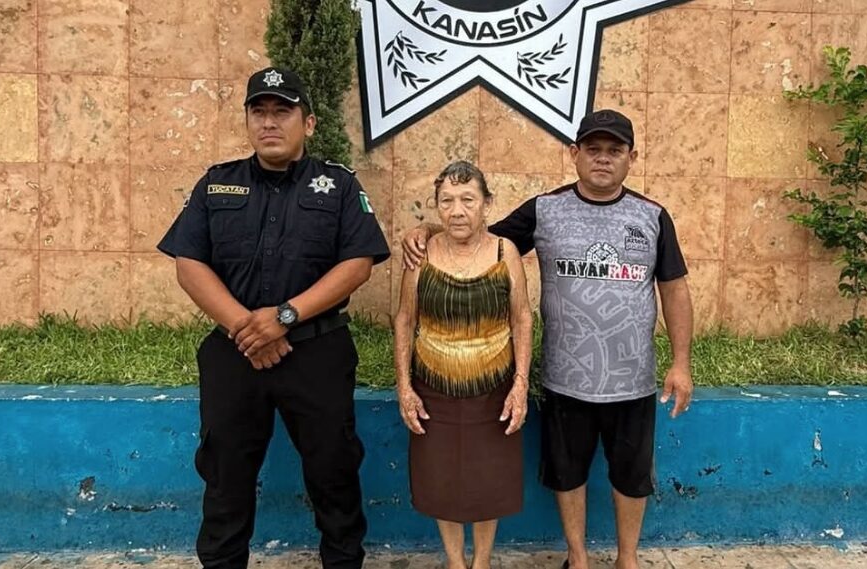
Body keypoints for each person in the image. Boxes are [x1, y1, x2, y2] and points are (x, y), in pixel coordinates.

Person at [402, 110, 694, 569]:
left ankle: (627, 559)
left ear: (632, 158)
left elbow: (674, 289)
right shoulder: (545, 210)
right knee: (567, 472)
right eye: (592, 149)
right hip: (566, 376)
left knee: (632, 475)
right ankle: (577, 558)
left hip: (632, 377)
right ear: (574, 154)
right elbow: (482, 236)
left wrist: (681, 362)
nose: (603, 159)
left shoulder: (653, 216)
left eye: (614, 150)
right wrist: (430, 230)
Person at [157, 66, 390, 569]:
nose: (269, 122)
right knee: (225, 477)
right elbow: (189, 263)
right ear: (247, 121)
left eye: (282, 111)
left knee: (334, 473)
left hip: (317, 353)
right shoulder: (216, 184)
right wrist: (248, 329)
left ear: (308, 123)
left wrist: (283, 317)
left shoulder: (339, 186)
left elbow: (358, 263)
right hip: (235, 354)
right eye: (258, 111)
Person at [393, 161, 533, 569]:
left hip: (494, 390)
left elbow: (522, 318)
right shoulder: (421, 255)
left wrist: (520, 383)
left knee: (488, 480)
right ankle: (456, 561)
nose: (457, 211)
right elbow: (405, 319)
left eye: (468, 200)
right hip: (434, 390)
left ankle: (482, 561)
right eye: (447, 201)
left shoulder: (505, 252)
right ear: (436, 207)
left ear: (486, 204)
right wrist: (405, 387)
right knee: (442, 479)